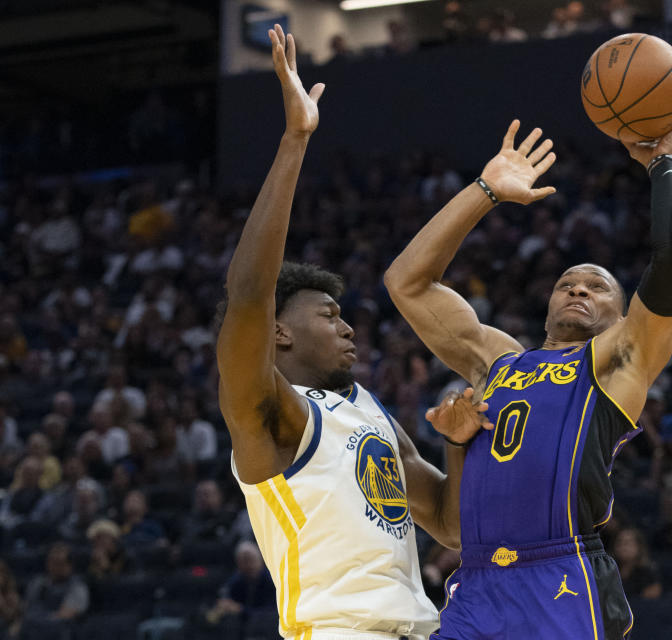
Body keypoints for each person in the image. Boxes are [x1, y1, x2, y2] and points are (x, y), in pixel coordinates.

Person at [385, 93, 672, 638]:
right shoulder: (498, 360)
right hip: (478, 580)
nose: (577, 286)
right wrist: (483, 192)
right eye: (566, 283)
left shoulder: (619, 357)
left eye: (596, 285)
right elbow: (407, 283)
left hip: (562, 573)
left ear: (623, 315)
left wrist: (661, 163)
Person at [216, 25, 491, 640]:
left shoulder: (369, 411)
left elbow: (449, 525)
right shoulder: (270, 414)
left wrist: (457, 442)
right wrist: (294, 141)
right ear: (279, 335)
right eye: (329, 314)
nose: (348, 326)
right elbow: (249, 297)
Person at [611, 528, 661, 599]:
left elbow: (650, 599)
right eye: (619, 543)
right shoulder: (608, 571)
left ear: (639, 547)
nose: (623, 547)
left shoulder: (648, 573)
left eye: (627, 543)